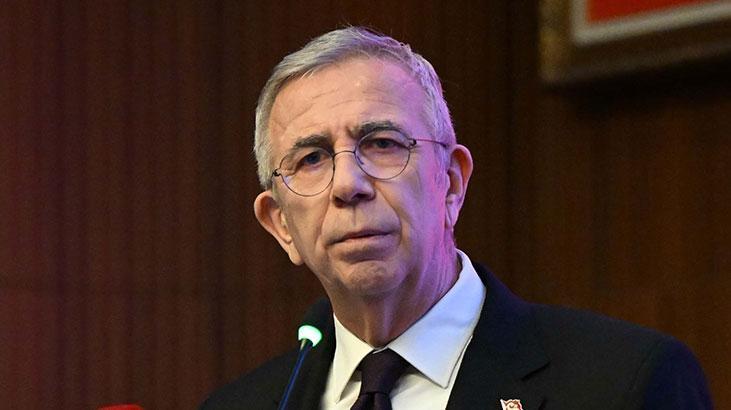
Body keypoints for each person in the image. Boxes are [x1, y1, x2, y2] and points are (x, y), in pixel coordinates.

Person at [200, 27, 712, 410]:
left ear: (451, 183)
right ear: (280, 224)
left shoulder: (623, 383)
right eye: (311, 158)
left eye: (382, 144)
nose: (348, 184)